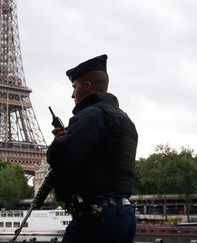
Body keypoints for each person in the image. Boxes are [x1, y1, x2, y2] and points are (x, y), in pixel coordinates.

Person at [46, 54, 138, 243]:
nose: (72, 95)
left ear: (87, 86)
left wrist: (60, 140)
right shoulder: (124, 118)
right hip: (123, 215)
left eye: (74, 87)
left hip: (96, 217)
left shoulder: (91, 115)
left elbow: (58, 158)